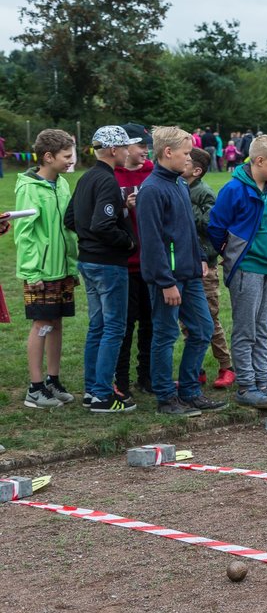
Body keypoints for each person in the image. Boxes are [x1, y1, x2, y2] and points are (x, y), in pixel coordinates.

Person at [137, 126, 225, 416]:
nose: (190, 160)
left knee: (202, 329)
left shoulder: (179, 184)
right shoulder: (152, 190)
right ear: (168, 152)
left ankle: (189, 391)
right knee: (164, 335)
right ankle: (166, 397)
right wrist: (165, 282)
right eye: (186, 154)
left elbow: (187, 230)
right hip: (169, 280)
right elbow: (152, 242)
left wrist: (200, 256)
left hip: (190, 275)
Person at [209, 133, 267, 410]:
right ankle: (247, 385)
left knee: (263, 328)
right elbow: (216, 228)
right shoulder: (234, 190)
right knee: (246, 330)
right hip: (247, 268)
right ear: (259, 160)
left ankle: (264, 382)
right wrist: (232, 255)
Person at [67, 126, 139, 412]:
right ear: (112, 150)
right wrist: (129, 242)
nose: (126, 152)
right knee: (113, 328)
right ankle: (102, 395)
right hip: (109, 264)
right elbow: (102, 224)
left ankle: (91, 390)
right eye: (124, 147)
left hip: (88, 260)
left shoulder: (86, 177)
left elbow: (71, 218)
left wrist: (90, 238)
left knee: (97, 326)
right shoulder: (107, 180)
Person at [15, 129, 79, 410]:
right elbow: (24, 234)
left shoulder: (62, 184)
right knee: (41, 324)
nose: (71, 161)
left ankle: (53, 380)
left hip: (62, 270)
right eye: (66, 156)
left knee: (56, 323)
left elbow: (67, 228)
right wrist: (32, 272)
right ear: (48, 157)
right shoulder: (29, 188)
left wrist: (72, 266)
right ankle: (35, 387)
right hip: (40, 272)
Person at [185, 147, 235, 391]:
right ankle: (196, 370)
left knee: (210, 318)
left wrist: (186, 204)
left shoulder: (204, 192)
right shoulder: (176, 187)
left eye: (187, 160)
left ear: (196, 170)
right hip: (184, 264)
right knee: (187, 323)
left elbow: (210, 224)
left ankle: (226, 366)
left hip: (207, 266)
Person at [115, 123, 154, 398]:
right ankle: (122, 380)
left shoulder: (151, 172)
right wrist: (122, 207)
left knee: (151, 324)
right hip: (123, 263)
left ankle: (147, 377)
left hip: (150, 263)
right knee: (125, 326)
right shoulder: (110, 175)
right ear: (126, 146)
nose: (145, 151)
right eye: (141, 145)